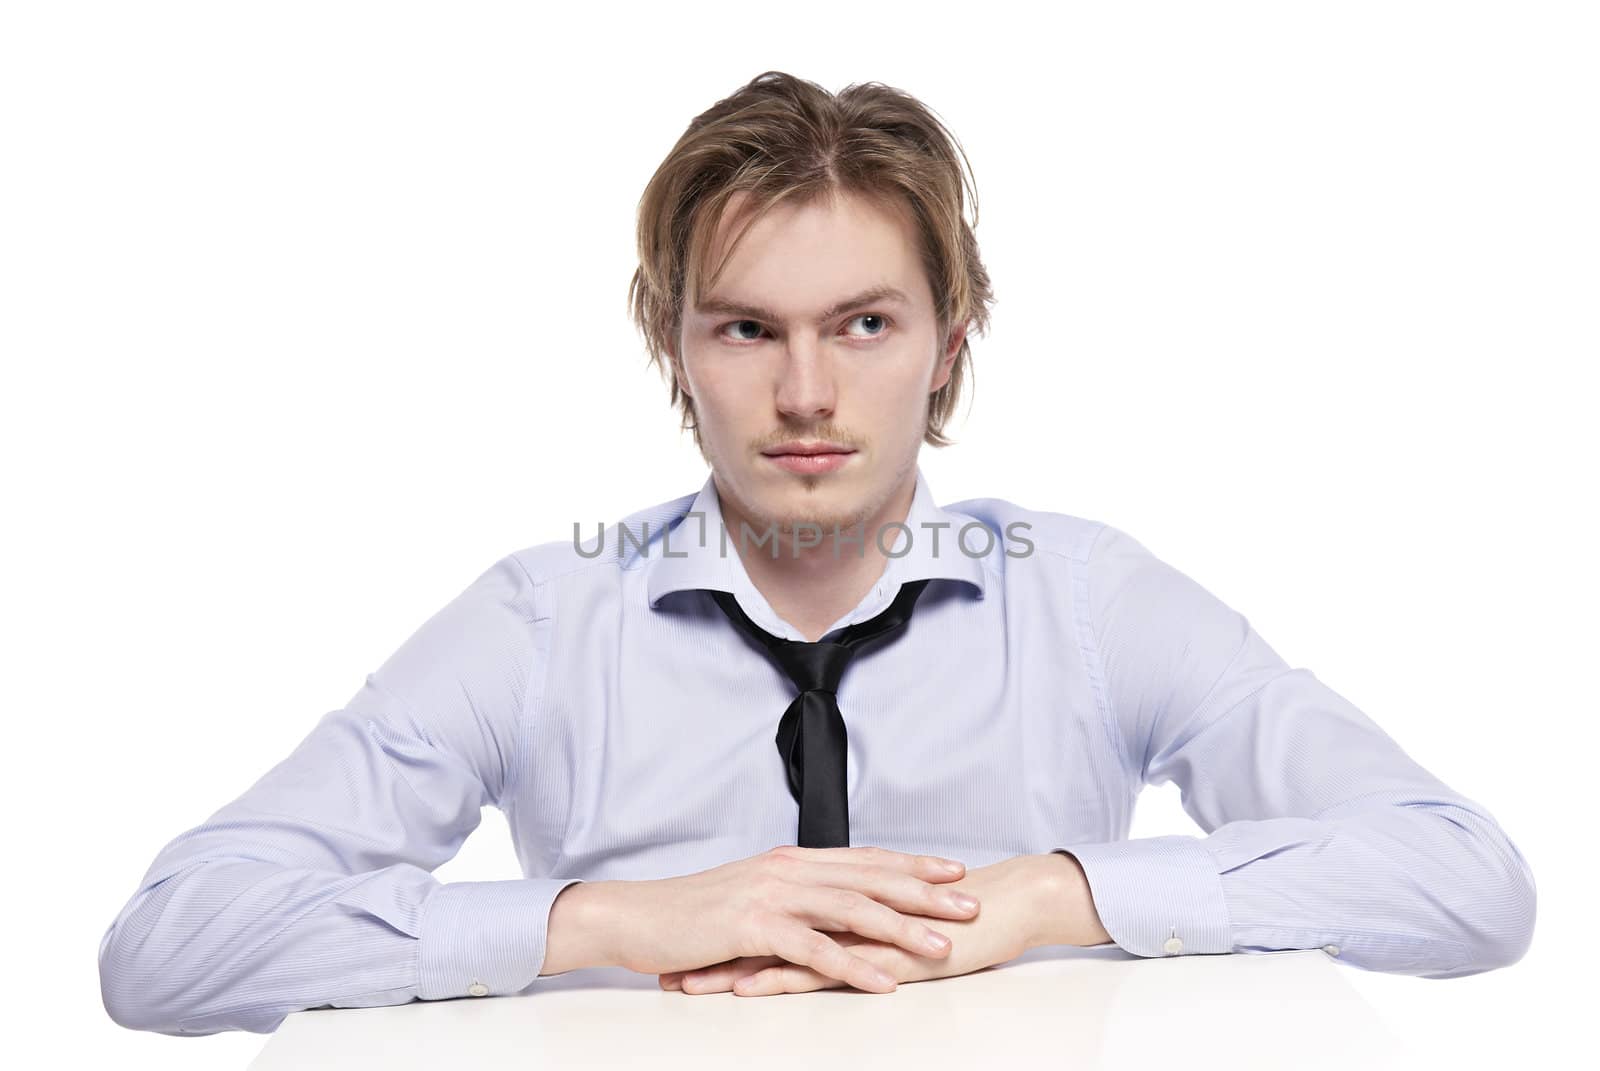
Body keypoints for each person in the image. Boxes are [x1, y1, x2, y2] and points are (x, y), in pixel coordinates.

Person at [98, 70, 1537, 1037]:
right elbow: (171, 949)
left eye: (863, 324)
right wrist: (608, 919)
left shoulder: (1088, 600)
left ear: (946, 345)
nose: (805, 396)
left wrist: (1051, 895)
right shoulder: (545, 620)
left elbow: (1462, 882)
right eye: (747, 329)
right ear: (676, 346)